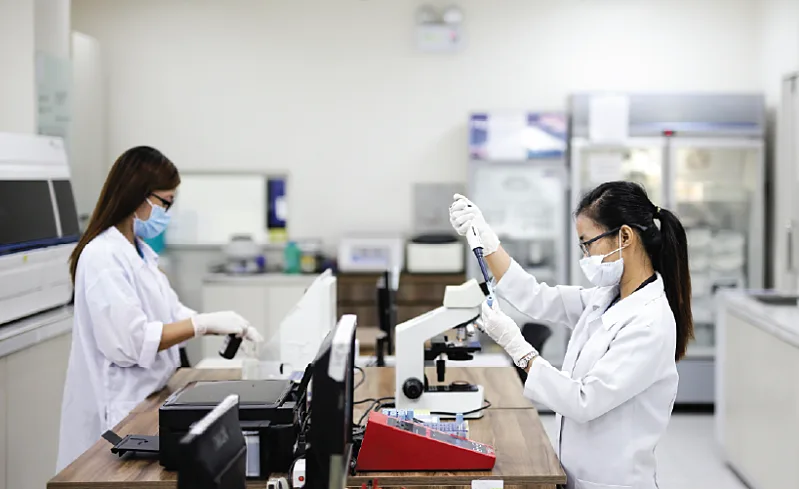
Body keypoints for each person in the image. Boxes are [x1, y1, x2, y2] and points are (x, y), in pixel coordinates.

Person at [450, 181, 693, 489]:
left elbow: (584, 401)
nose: (586, 255)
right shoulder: (605, 298)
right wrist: (486, 240)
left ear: (625, 237)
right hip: (577, 474)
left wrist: (517, 348)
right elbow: (535, 296)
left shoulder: (649, 323)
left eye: (587, 243)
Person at [56, 146, 263, 471]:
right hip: (120, 411)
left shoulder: (139, 253)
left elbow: (170, 313)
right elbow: (131, 341)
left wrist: (219, 322)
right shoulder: (102, 257)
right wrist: (203, 324)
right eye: (165, 203)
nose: (168, 213)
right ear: (138, 195)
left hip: (150, 398)